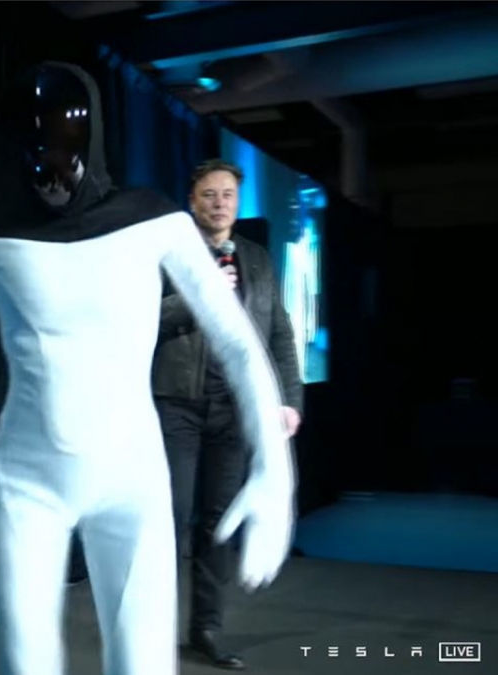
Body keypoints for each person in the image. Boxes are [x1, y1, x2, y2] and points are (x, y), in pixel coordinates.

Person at [0, 62, 295, 675]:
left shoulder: (153, 221)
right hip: (26, 484)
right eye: (35, 144)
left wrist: (276, 468)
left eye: (65, 140)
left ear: (92, 138)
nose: (52, 162)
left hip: (131, 479)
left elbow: (239, 342)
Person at [152, 159, 305, 670]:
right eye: (209, 194)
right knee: (169, 518)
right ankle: (149, 628)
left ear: (237, 204)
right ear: (191, 201)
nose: (219, 203)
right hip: (177, 404)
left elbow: (278, 332)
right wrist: (199, 296)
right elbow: (142, 318)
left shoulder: (257, 259)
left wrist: (289, 400)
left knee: (219, 522)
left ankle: (207, 628)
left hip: (236, 409)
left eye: (227, 195)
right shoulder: (168, 253)